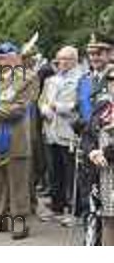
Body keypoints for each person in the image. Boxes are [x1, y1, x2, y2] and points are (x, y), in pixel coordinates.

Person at [0, 42, 39, 240]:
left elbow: (20, 107)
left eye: (5, 56)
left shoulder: (28, 78)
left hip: (15, 138)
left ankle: (20, 222)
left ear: (17, 58)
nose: (0, 59)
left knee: (18, 183)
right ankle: (0, 218)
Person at [38, 46, 83, 219]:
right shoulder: (51, 80)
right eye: (59, 59)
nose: (62, 62)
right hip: (51, 130)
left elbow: (79, 105)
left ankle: (74, 209)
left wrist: (58, 107)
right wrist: (44, 109)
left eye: (66, 59)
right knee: (54, 170)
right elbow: (42, 100)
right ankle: (57, 206)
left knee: (71, 172)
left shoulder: (81, 79)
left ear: (74, 60)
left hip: (69, 130)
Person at [84, 66, 114, 245]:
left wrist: (104, 153)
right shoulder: (103, 105)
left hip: (107, 160)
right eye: (110, 79)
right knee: (107, 220)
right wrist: (92, 151)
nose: (113, 84)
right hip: (103, 172)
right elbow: (87, 134)